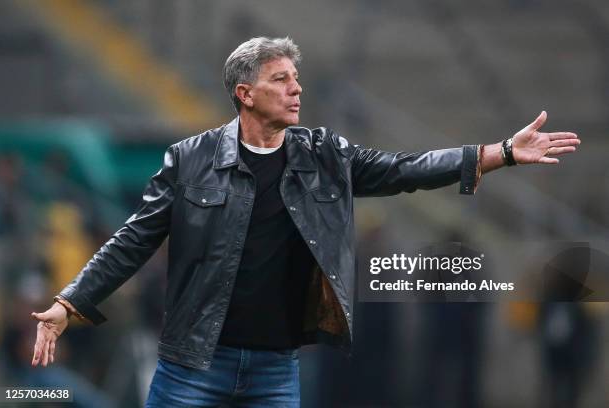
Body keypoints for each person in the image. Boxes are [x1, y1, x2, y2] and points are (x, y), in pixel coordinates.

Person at [30, 37, 580, 407]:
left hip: (277, 366)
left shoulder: (325, 154)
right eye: (280, 79)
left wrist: (498, 152)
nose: (296, 88)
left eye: (297, 77)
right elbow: (133, 239)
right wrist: (68, 303)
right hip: (194, 364)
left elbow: (402, 170)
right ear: (245, 94)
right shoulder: (189, 158)